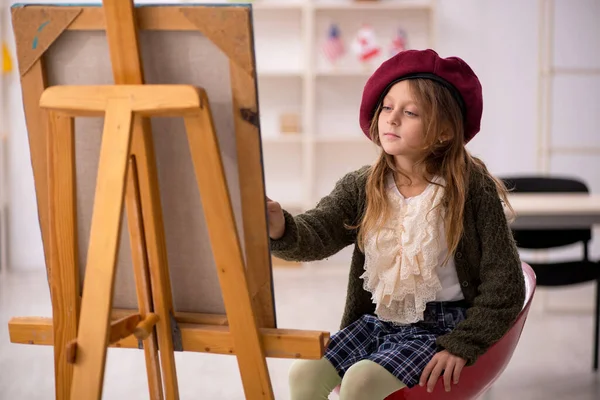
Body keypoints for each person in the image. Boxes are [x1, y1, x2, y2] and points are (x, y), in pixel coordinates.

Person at [267, 49, 526, 400]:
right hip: (378, 323)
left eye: (410, 112)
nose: (392, 119)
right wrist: (280, 225)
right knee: (304, 373)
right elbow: (318, 232)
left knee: (360, 382)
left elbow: (506, 284)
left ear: (445, 132)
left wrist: (462, 343)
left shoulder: (471, 189)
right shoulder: (362, 185)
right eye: (387, 107)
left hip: (443, 327)